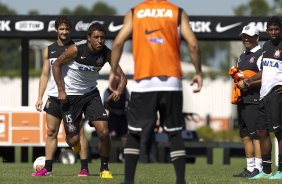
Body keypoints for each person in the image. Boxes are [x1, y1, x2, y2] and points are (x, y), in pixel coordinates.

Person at [109, 1, 203, 183]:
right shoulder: (177, 12)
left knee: (135, 132)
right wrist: (198, 72)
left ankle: (128, 181)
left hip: (144, 81)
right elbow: (193, 45)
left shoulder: (135, 12)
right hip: (172, 82)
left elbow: (119, 41)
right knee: (174, 132)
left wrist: (113, 71)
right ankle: (180, 181)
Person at [52, 22, 127, 179]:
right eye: (96, 37)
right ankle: (75, 145)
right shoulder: (76, 49)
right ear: (88, 38)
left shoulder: (106, 54)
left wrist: (119, 90)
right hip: (70, 97)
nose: (100, 40)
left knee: (104, 132)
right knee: (73, 140)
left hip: (91, 95)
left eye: (103, 38)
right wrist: (61, 90)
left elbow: (122, 76)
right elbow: (56, 64)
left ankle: (104, 168)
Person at [32, 16, 90, 177]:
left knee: (77, 133)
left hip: (73, 97)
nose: (64, 32)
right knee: (51, 132)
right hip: (53, 97)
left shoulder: (77, 47)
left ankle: (84, 168)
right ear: (56, 30)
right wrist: (39, 97)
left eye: (67, 29)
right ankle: (48, 169)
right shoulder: (49, 49)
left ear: (70, 31)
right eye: (61, 29)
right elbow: (45, 74)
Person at [238, 16, 282, 180]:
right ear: (266, 31)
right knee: (262, 132)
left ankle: (281, 170)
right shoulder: (266, 46)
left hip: (277, 94)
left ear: (281, 30)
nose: (273, 32)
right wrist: (249, 80)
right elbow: (266, 70)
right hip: (264, 94)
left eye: (276, 29)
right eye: (270, 29)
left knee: (278, 132)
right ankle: (266, 170)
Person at [230, 25, 262, 178]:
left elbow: (267, 77)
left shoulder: (262, 54)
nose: (246, 39)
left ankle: (259, 168)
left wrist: (248, 83)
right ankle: (250, 168)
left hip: (255, 99)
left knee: (255, 135)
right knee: (245, 135)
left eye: (249, 36)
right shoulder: (242, 55)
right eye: (244, 36)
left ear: (257, 38)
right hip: (242, 99)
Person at [103, 86, 129, 162]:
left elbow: (128, 101)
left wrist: (125, 111)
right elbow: (105, 104)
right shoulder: (107, 90)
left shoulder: (125, 90)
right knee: (113, 137)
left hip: (123, 117)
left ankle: (123, 155)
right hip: (113, 118)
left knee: (124, 137)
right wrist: (114, 111)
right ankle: (113, 157)